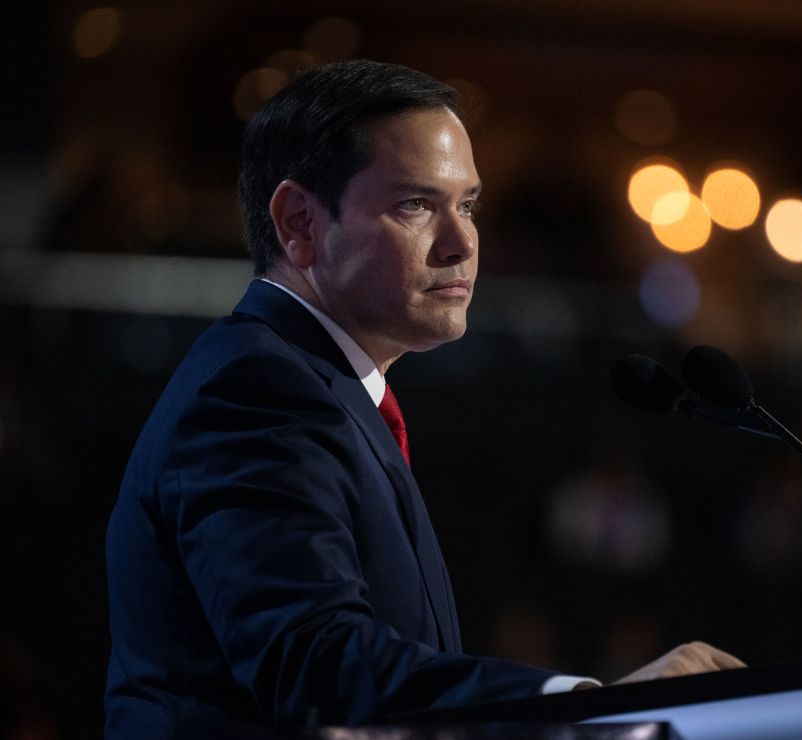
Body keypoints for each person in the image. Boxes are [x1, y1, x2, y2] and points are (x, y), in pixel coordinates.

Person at [104, 59, 743, 738]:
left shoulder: (327, 392)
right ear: (299, 223)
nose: (463, 242)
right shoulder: (254, 395)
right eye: (415, 205)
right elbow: (318, 664)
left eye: (467, 204)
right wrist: (583, 704)